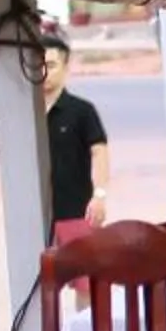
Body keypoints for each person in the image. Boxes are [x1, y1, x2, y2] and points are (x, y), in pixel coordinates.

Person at [41, 31, 110, 245]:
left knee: (80, 266)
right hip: (34, 214)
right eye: (38, 66)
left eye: (51, 65)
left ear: (65, 67)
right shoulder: (24, 116)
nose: (44, 72)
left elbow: (99, 152)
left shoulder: (82, 111)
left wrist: (99, 195)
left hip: (75, 212)